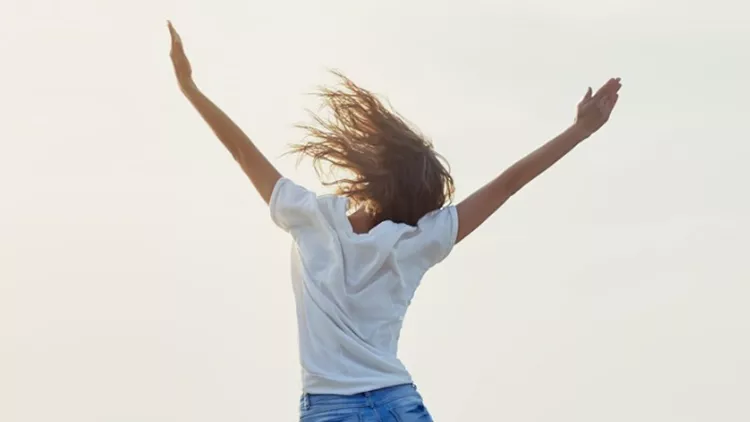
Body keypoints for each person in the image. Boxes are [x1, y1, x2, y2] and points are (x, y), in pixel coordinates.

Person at [166, 21, 622, 422]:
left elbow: (243, 152)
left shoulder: (311, 216)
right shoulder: (418, 241)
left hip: (331, 409)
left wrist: (190, 89)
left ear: (368, 172)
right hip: (396, 403)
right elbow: (507, 185)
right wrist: (579, 131)